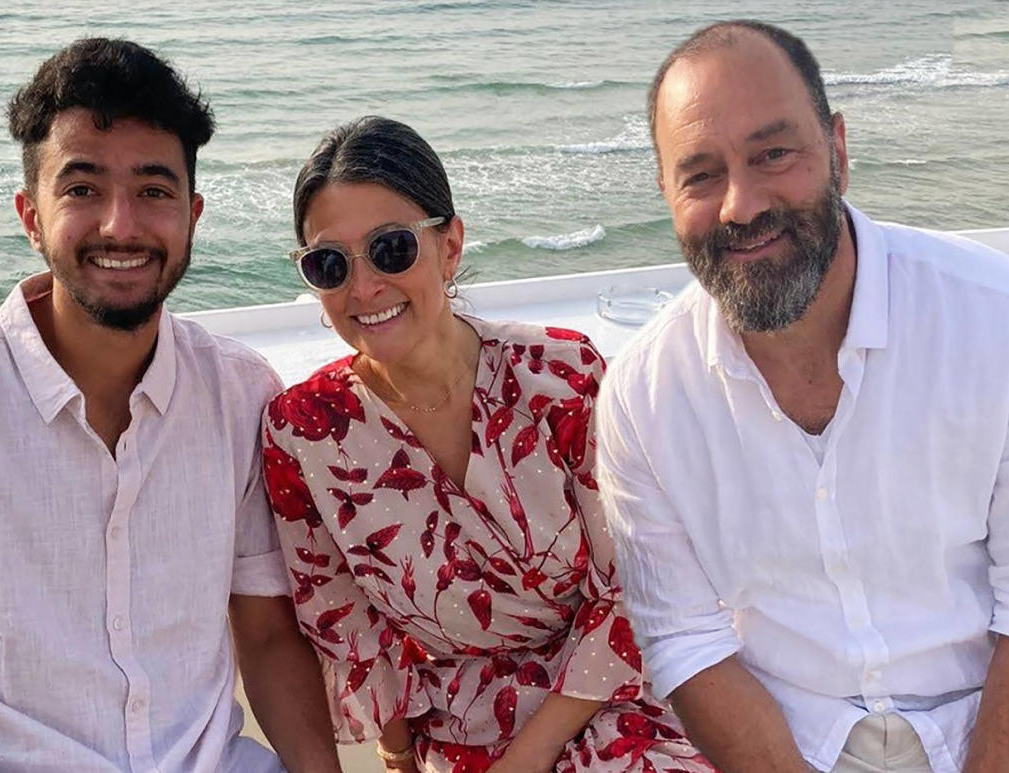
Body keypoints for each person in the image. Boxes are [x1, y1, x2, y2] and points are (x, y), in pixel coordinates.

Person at [0, 38, 340, 773]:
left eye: (154, 191)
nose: (120, 225)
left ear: (191, 214)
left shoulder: (239, 392)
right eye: (82, 189)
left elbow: (264, 629)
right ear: (31, 215)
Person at [595, 19, 1009, 773]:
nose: (741, 205)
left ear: (837, 149)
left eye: (773, 154)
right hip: (790, 744)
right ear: (664, 191)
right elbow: (684, 637)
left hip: (1008, 720)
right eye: (700, 173)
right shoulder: (645, 396)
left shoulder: (1002, 318)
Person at [260, 115, 713, 773]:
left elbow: (632, 583)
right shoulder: (302, 432)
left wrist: (529, 756)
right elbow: (349, 624)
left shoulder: (559, 374)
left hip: (613, 694)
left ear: (449, 246)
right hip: (464, 726)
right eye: (329, 263)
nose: (362, 288)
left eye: (391, 249)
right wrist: (398, 753)